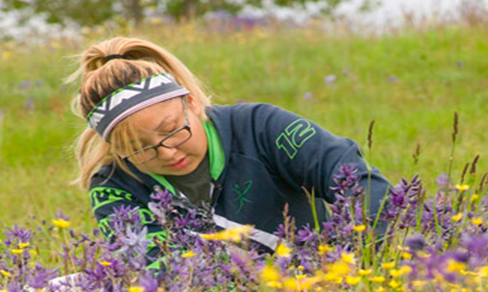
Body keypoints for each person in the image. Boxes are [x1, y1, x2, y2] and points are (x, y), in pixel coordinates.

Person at [66, 37, 393, 268]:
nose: (167, 153)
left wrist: (346, 265)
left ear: (191, 103)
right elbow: (152, 268)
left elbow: (361, 182)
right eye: (141, 149)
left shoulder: (262, 126)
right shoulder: (114, 187)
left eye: (172, 130)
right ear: (117, 149)